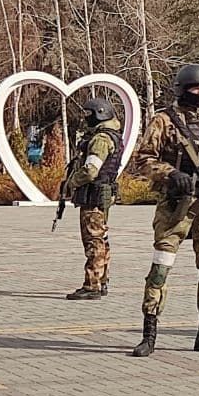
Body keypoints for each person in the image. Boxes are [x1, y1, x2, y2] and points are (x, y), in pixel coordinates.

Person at [130, 64, 199, 358]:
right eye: (196, 89)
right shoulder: (164, 121)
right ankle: (149, 334)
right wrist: (169, 174)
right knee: (161, 267)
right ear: (182, 90)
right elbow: (142, 160)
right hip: (176, 206)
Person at [61, 98, 123, 301]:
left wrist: (71, 182)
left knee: (93, 241)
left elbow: (90, 171)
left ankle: (92, 285)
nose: (86, 119)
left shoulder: (100, 139)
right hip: (102, 194)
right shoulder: (111, 135)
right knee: (101, 239)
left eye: (89, 115)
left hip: (93, 195)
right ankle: (102, 280)